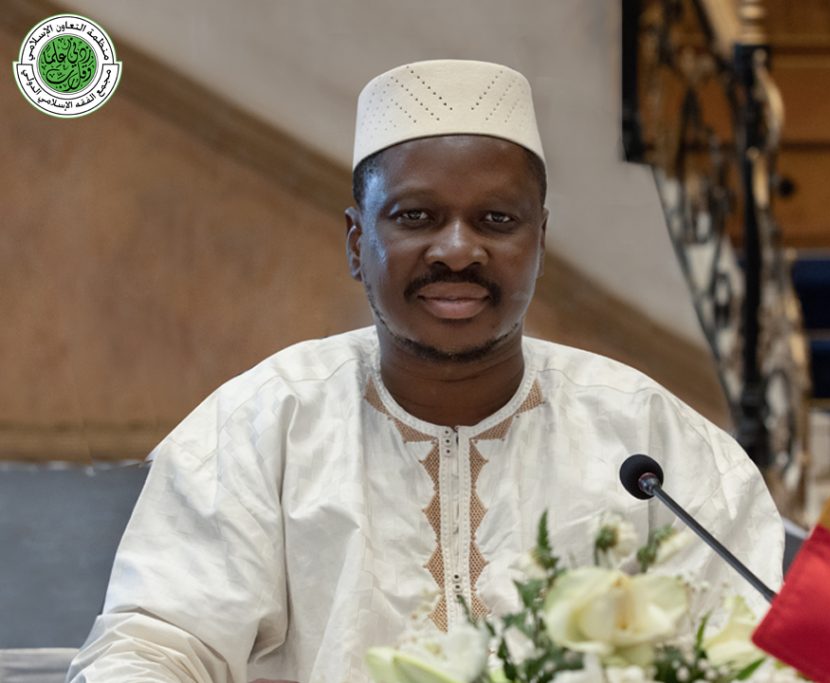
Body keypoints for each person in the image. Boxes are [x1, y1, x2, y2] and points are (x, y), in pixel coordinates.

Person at [68, 59, 782, 683]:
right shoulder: (262, 427)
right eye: (416, 217)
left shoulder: (652, 439)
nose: (458, 250)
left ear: (540, 241)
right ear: (357, 242)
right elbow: (155, 643)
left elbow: (752, 649)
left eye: (497, 220)